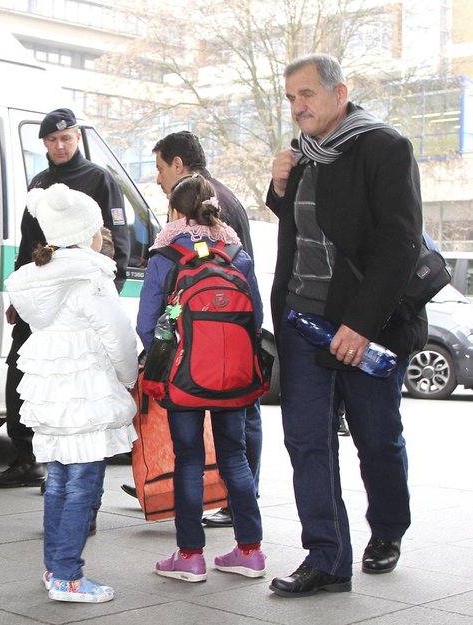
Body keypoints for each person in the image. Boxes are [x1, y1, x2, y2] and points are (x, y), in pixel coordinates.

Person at [266, 53, 425, 597]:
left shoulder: (383, 146)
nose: (297, 107)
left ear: (341, 92)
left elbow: (397, 245)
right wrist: (278, 187)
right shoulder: (303, 156)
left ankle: (388, 529)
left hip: (366, 324)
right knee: (307, 440)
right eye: (290, 98)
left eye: (306, 94)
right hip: (301, 319)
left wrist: (361, 325)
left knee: (376, 437)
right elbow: (300, 233)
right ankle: (327, 557)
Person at [5, 183, 138, 603]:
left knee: (60, 481)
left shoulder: (38, 279)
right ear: (88, 233)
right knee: (83, 484)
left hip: (51, 395)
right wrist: (130, 377)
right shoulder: (91, 278)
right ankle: (67, 576)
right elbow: (118, 338)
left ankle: (55, 568)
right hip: (87, 393)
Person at [0, 107, 131, 489]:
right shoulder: (39, 183)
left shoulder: (100, 179)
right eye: (52, 140)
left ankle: (66, 466)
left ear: (78, 138)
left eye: (65, 138)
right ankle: (24, 456)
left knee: (75, 381)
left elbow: (119, 239)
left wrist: (107, 292)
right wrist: (16, 296)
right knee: (25, 371)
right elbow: (26, 243)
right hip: (42, 290)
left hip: (82, 294)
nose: (59, 145)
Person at [137, 174, 266, 582]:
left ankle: (190, 556)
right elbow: (256, 318)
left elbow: (147, 322)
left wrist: (163, 357)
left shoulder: (167, 255)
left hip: (184, 375)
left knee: (189, 460)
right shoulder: (236, 252)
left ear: (175, 211)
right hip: (234, 376)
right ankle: (250, 551)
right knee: (235, 457)